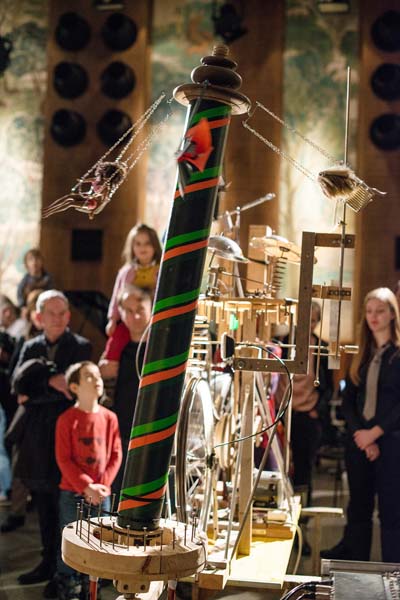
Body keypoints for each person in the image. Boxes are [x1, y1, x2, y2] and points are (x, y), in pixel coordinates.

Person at [10, 290, 92, 591]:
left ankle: (65, 570)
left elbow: (76, 394)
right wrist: (50, 382)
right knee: (43, 503)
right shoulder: (30, 346)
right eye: (50, 313)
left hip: (69, 436)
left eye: (62, 313)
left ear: (68, 316)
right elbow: (16, 388)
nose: (57, 319)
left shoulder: (81, 346)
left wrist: (36, 391)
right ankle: (47, 562)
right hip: (37, 437)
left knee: (66, 506)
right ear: (38, 317)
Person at [321, 287, 400, 562]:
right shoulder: (363, 353)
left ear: (392, 314)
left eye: (380, 311)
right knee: (358, 509)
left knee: (391, 512)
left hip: (391, 442)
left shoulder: (397, 354)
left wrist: (374, 433)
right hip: (359, 443)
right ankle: (356, 568)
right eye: (369, 312)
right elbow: (348, 401)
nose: (373, 317)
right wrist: (361, 436)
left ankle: (394, 573)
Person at [55, 361, 122, 600]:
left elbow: (116, 455)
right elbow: (64, 459)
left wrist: (102, 486)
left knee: (98, 541)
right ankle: (69, 583)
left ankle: (91, 585)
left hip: (101, 495)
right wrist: (86, 487)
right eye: (89, 377)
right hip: (72, 493)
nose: (97, 380)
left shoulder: (110, 417)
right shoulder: (67, 419)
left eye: (98, 376)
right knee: (72, 540)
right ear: (74, 387)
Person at [276, 301, 333, 507]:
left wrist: (316, 410)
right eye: (306, 318)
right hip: (281, 412)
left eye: (314, 320)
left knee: (304, 467)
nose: (309, 324)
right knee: (279, 463)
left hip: (307, 414)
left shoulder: (322, 347)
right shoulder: (281, 342)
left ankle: (303, 511)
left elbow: (328, 386)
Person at [99, 285, 152, 495]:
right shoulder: (117, 343)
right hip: (120, 426)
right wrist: (100, 370)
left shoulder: (160, 344)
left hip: (151, 426)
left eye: (140, 309)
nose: (135, 316)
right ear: (120, 313)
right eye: (128, 311)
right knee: (119, 485)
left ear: (151, 308)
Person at [106, 223, 161, 339]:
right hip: (129, 322)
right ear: (132, 247)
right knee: (116, 340)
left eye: (147, 243)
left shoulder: (161, 271)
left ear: (155, 246)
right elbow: (116, 297)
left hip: (154, 322)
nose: (142, 248)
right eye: (138, 244)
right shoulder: (125, 272)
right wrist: (112, 320)